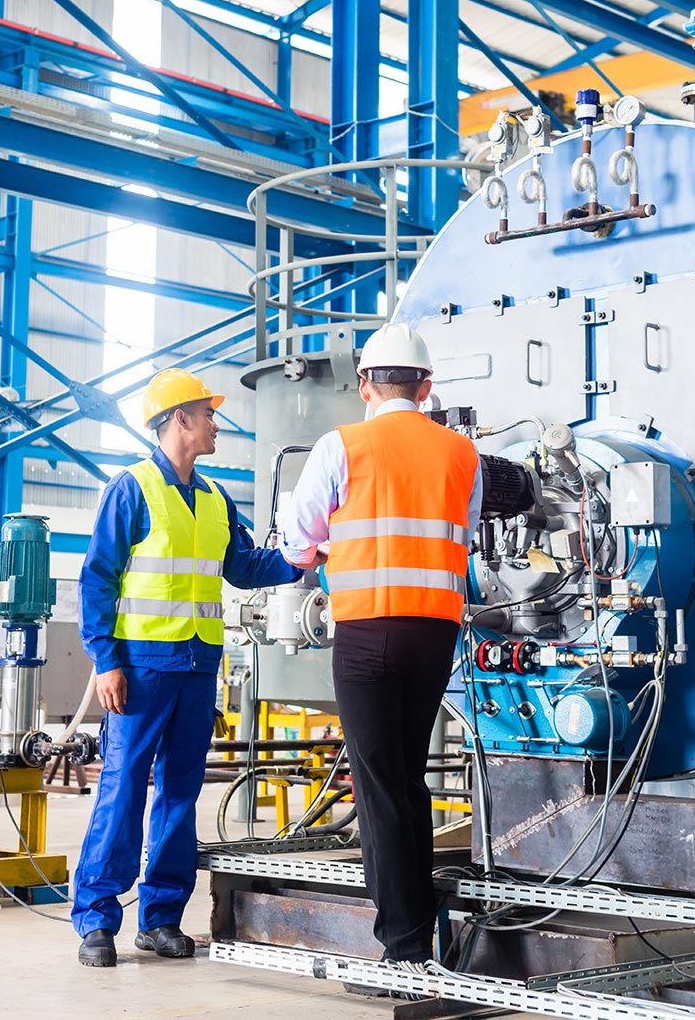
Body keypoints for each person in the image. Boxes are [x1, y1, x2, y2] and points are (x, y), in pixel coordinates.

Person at [73, 367, 301, 967]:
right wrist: (106, 660)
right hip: (141, 668)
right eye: (207, 414)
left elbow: (246, 566)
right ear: (180, 420)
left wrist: (306, 558)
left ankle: (161, 917)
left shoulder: (214, 497)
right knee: (123, 791)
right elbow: (97, 578)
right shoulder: (133, 488)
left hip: (199, 666)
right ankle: (96, 920)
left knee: (179, 794)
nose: (216, 424)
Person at [279, 322, 482, 973]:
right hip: (434, 633)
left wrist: (322, 549)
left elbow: (296, 540)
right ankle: (413, 920)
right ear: (426, 386)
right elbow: (465, 535)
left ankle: (402, 941)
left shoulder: (341, 446)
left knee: (378, 780)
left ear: (365, 384)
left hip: (366, 632)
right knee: (407, 775)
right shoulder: (462, 455)